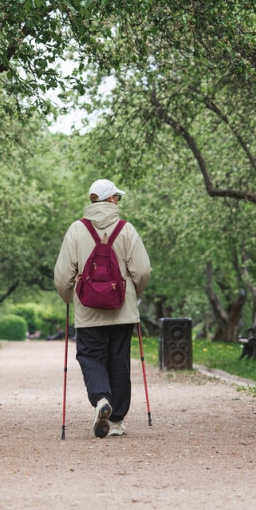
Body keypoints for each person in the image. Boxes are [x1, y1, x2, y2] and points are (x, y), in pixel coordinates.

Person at [53, 179, 151, 438]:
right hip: (122, 310)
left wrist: (68, 297)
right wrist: (132, 293)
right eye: (117, 197)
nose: (118, 201)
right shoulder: (126, 229)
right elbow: (142, 270)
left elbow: (63, 274)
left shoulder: (76, 230)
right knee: (119, 361)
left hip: (88, 311)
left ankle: (101, 400)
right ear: (110, 200)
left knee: (90, 356)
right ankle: (117, 420)